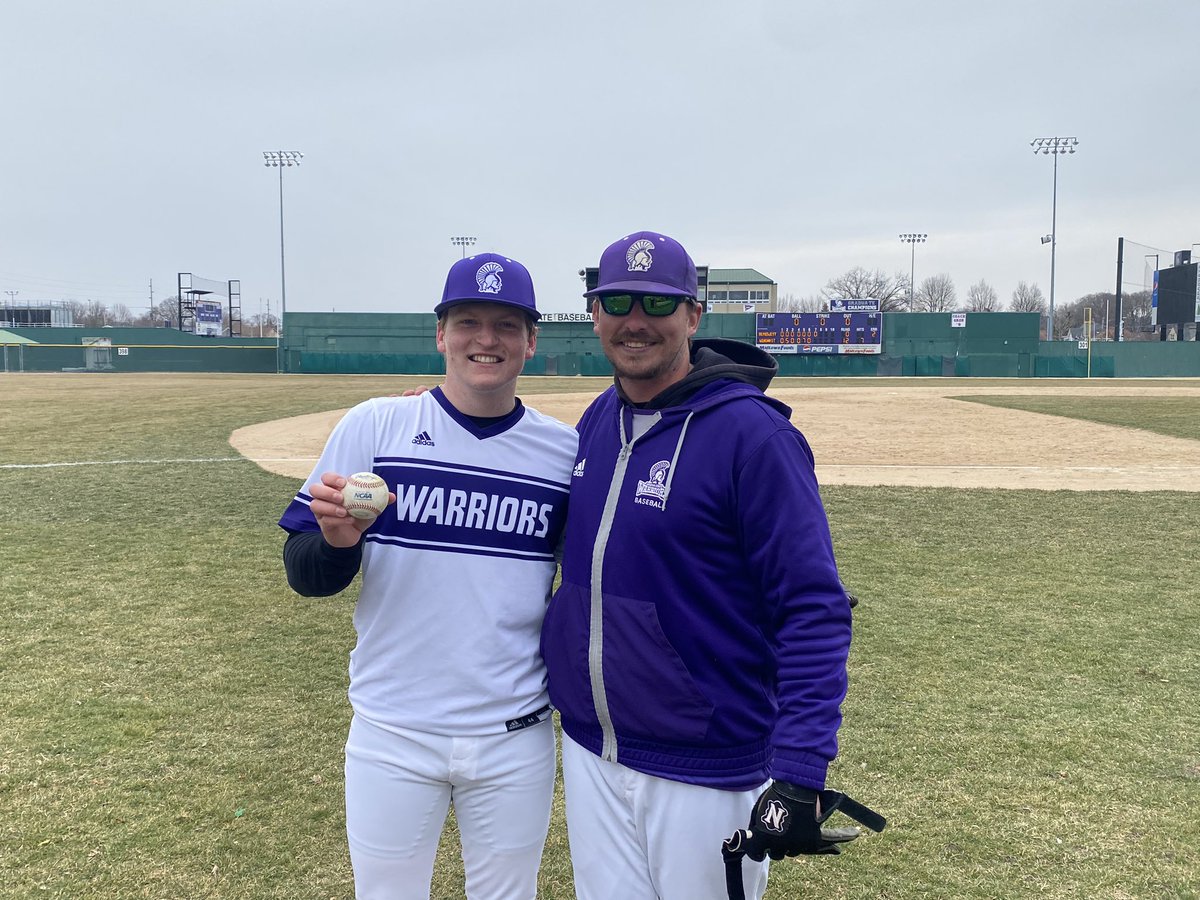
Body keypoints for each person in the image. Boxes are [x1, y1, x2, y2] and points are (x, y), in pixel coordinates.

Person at [539, 231, 853, 900]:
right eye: (617, 300)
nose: (635, 320)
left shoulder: (755, 436)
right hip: (595, 751)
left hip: (707, 768)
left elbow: (813, 609)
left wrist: (800, 770)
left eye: (658, 303)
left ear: (692, 315)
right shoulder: (598, 418)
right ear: (594, 312)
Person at [279, 252, 577, 900]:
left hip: (514, 735)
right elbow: (304, 573)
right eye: (467, 321)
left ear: (531, 340)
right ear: (441, 334)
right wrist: (336, 543)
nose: (486, 340)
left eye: (506, 324)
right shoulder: (377, 426)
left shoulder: (564, 454)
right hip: (394, 732)